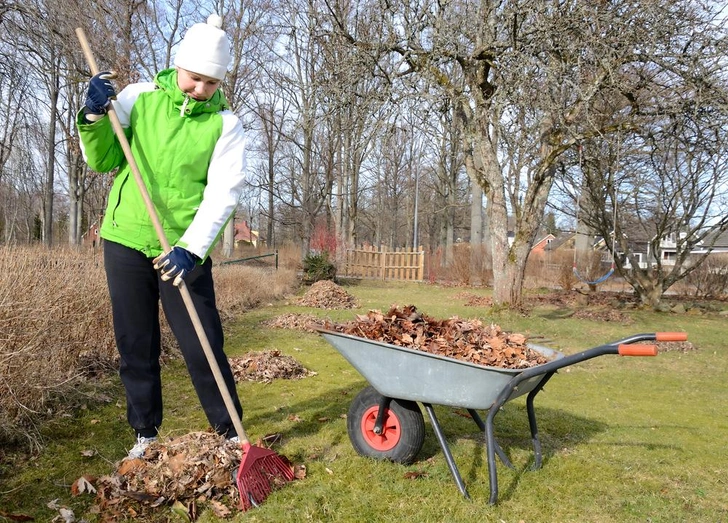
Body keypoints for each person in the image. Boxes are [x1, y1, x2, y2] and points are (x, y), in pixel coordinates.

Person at [77, 14, 245, 459]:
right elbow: (103, 160)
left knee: (202, 342)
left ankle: (230, 434)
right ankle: (145, 433)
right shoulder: (139, 98)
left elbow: (223, 194)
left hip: (182, 248)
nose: (200, 89)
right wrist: (94, 115)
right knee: (136, 342)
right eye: (194, 77)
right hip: (127, 238)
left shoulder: (225, 125)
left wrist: (191, 248)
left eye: (211, 82)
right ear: (179, 65)